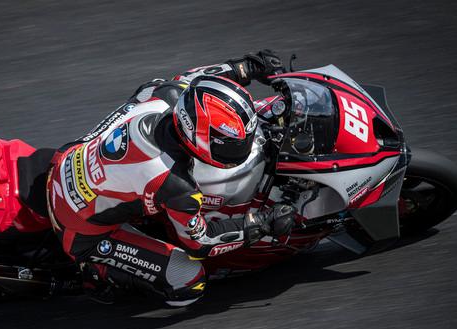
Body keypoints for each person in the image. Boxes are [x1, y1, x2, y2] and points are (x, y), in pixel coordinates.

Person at [46, 49, 296, 306]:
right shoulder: (177, 185)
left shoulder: (168, 93)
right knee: (189, 281)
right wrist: (261, 223)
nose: (242, 148)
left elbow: (197, 79)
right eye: (233, 145)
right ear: (200, 138)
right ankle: (97, 271)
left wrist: (247, 67)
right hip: (78, 229)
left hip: (65, 159)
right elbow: (200, 242)